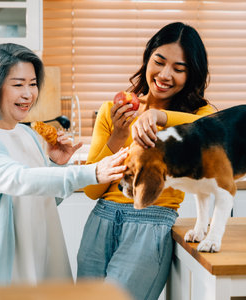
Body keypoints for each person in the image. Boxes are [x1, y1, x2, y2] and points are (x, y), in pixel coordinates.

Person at [0, 43, 128, 286]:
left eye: (33, 83)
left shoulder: (26, 135)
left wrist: (56, 165)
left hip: (41, 262)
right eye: (18, 84)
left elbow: (42, 198)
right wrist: (92, 172)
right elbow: (20, 180)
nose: (28, 94)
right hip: (4, 275)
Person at [76, 22, 216, 300]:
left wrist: (159, 116)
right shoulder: (114, 110)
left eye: (179, 68)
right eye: (159, 62)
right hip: (101, 220)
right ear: (147, 58)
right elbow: (92, 191)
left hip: (151, 223)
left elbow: (209, 126)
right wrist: (118, 134)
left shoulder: (198, 114)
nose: (165, 75)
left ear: (191, 74)